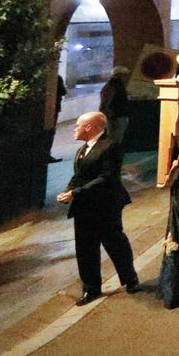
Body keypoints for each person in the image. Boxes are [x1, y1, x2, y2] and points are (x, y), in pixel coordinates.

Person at [56, 111, 139, 305]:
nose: (74, 129)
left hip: (106, 204)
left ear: (89, 127)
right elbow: (79, 176)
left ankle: (130, 280)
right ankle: (91, 288)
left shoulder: (110, 146)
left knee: (114, 242)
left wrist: (76, 193)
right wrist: (68, 191)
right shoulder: (82, 150)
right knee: (85, 248)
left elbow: (108, 177)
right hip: (85, 206)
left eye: (78, 125)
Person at [99, 66, 132, 150]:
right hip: (117, 115)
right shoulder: (114, 86)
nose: (125, 77)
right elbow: (106, 103)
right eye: (124, 75)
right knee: (115, 138)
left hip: (115, 115)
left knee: (114, 137)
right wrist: (111, 115)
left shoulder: (112, 85)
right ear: (119, 75)